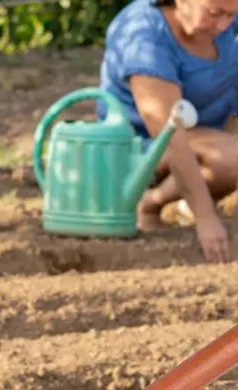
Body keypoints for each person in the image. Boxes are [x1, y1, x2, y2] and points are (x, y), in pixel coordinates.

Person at [99, 0, 238, 262]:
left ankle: (186, 200)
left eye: (231, 15)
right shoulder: (143, 34)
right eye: (215, 13)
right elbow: (169, 135)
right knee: (232, 158)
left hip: (207, 136)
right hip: (140, 149)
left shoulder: (224, 21)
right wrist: (206, 218)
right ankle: (148, 204)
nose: (224, 24)